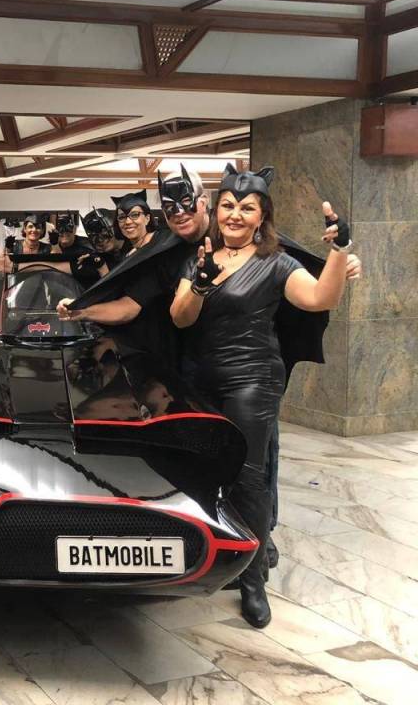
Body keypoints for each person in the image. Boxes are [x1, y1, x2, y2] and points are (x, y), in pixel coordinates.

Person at [170, 166, 350, 629]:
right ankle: (216, 556)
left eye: (246, 208)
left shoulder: (277, 262)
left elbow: (320, 298)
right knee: (206, 472)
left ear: (261, 216)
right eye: (228, 205)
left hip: (252, 379)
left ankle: (252, 581)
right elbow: (181, 318)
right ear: (217, 211)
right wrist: (201, 283)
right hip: (201, 379)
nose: (235, 214)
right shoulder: (200, 258)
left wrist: (339, 251)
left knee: (249, 477)